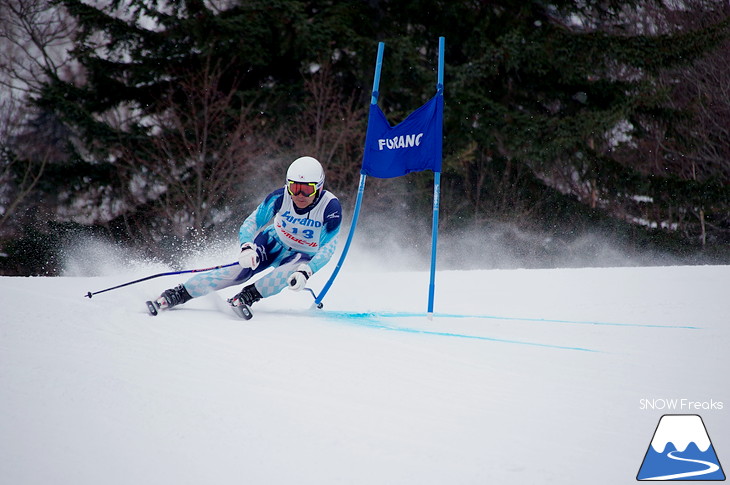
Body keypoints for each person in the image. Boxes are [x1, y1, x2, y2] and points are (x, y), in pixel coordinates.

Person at [149, 156, 342, 318]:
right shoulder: (280, 197)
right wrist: (247, 246)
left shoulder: (330, 208)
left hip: (302, 255)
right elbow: (252, 223)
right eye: (294, 187)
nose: (299, 195)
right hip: (273, 242)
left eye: (306, 189)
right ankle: (179, 293)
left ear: (319, 187)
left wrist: (307, 271)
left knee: (280, 278)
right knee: (238, 272)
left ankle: (247, 297)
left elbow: (327, 248)